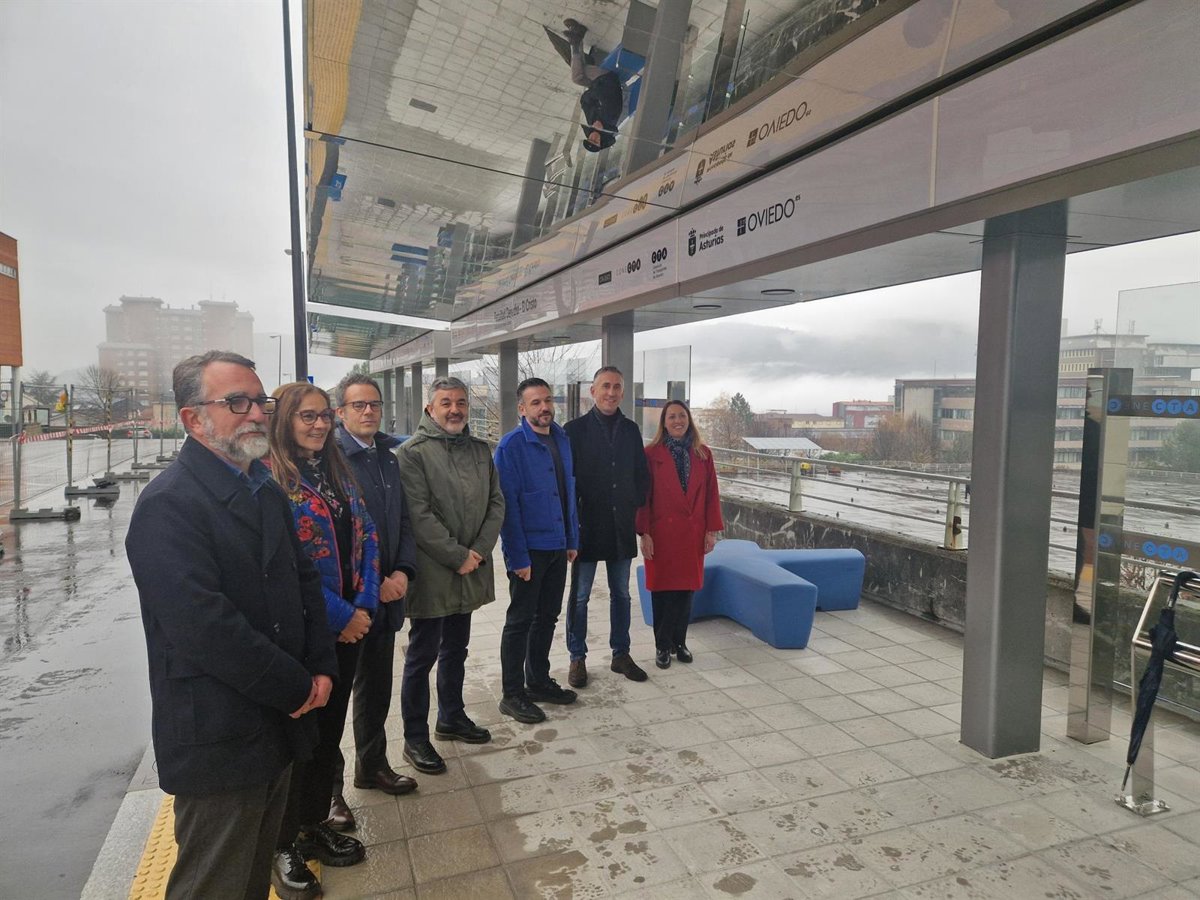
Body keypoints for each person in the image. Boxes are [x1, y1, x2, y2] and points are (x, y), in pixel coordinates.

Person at [125, 351, 336, 900]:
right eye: (237, 402)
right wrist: (296, 686)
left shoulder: (262, 488)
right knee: (214, 882)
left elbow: (303, 582)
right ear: (193, 419)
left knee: (251, 876)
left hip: (277, 723)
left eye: (260, 401)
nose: (257, 413)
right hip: (220, 735)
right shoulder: (168, 505)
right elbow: (204, 628)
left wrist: (321, 666)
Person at [266, 382, 380, 900]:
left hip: (351, 624)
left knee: (327, 736)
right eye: (305, 416)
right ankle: (281, 843)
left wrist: (366, 603)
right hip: (307, 632)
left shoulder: (335, 471)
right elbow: (290, 568)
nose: (317, 425)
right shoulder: (272, 481)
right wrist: (342, 615)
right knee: (298, 740)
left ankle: (313, 824)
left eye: (323, 416)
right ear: (284, 421)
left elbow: (369, 533)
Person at [397, 376, 504, 774]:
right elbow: (418, 514)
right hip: (434, 573)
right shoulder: (411, 454)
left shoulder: (480, 451)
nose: (455, 409)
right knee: (422, 656)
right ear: (430, 408)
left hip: (470, 568)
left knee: (457, 648)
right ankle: (414, 737)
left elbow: (496, 503)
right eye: (446, 403)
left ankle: (451, 717)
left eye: (460, 402)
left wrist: (478, 551)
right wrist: (458, 556)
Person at [327, 373, 419, 832]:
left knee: (376, 688)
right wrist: (374, 581)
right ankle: (329, 791)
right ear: (340, 413)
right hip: (350, 605)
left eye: (374, 405)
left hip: (387, 598)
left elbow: (402, 520)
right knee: (333, 701)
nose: (368, 412)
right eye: (358, 405)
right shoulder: (330, 460)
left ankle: (372, 765)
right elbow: (337, 537)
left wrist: (402, 571)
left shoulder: (388, 456)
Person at [494, 378, 580, 723]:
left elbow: (567, 491)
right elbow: (507, 506)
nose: (544, 407)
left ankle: (539, 681)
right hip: (530, 550)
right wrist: (517, 557)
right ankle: (512, 694)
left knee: (547, 617)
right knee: (520, 621)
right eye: (535, 402)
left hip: (558, 545)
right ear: (522, 408)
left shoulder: (561, 438)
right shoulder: (511, 446)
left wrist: (572, 538)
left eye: (547, 400)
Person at [563, 366, 649, 687]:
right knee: (580, 596)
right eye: (605, 386)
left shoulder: (630, 430)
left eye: (616, 387)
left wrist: (632, 502)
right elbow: (567, 480)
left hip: (620, 525)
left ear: (622, 393)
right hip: (587, 525)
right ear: (593, 391)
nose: (611, 393)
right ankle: (577, 656)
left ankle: (620, 654)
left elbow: (641, 474)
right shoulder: (574, 430)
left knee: (621, 594)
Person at [636, 400, 724, 669]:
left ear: (689, 420)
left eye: (682, 416)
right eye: (672, 416)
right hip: (661, 532)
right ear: (664, 422)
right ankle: (662, 645)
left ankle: (680, 642)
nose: (677, 421)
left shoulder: (703, 454)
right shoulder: (650, 454)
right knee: (662, 590)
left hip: (692, 532)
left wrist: (711, 530)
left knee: (686, 591)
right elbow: (643, 498)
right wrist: (644, 533)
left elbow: (711, 494)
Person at [563, 18, 622, 152]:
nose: (593, 137)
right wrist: (594, 95)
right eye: (595, 141)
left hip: (597, 85)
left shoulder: (592, 123)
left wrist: (592, 95)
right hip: (607, 80)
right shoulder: (609, 119)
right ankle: (575, 40)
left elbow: (584, 101)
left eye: (590, 139)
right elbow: (605, 94)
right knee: (578, 73)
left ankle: (577, 37)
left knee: (577, 77)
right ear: (601, 142)